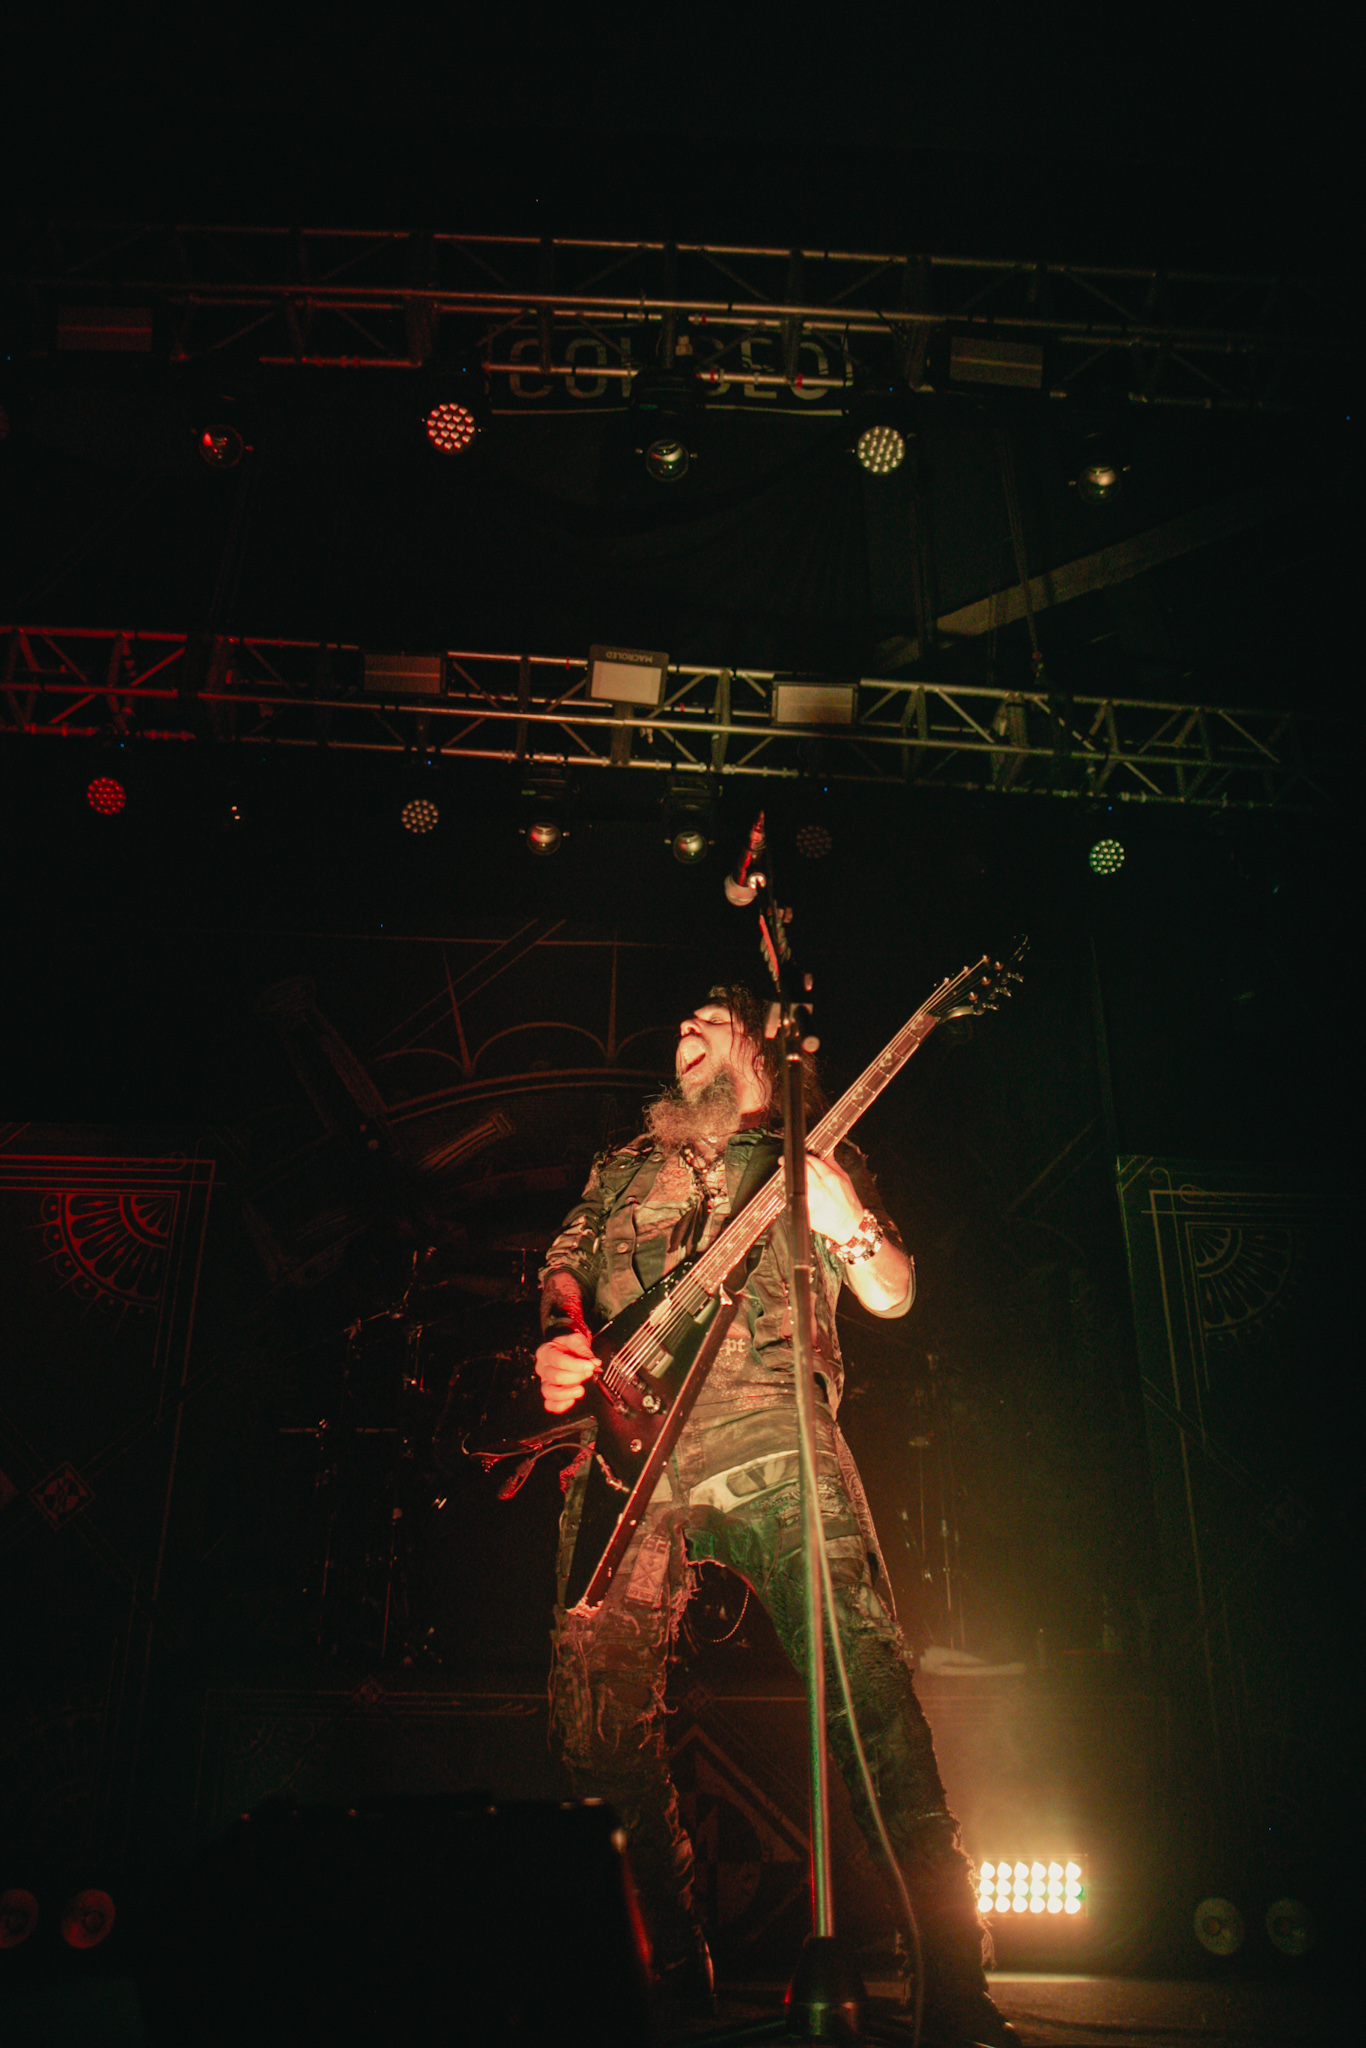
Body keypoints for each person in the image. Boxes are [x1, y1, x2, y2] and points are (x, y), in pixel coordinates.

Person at [535, 986, 1017, 2048]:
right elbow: (562, 1267)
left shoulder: (816, 1154)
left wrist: (849, 1223)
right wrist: (560, 1335)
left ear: (762, 1045)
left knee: (868, 1695)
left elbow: (893, 1293)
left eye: (706, 1023)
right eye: (678, 1027)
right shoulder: (623, 1166)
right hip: (628, 1455)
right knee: (591, 1721)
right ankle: (666, 1962)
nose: (681, 1035)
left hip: (775, 1437)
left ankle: (951, 1980)